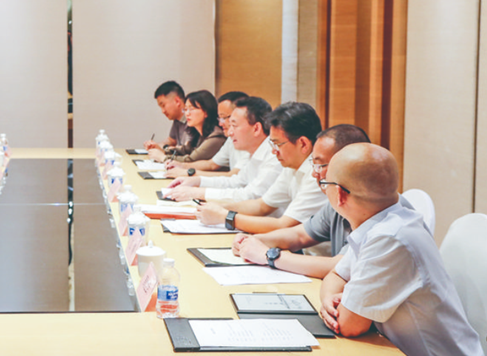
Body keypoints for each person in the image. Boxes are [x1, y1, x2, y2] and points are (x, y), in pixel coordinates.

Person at [319, 143, 487, 356]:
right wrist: (330, 302)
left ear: (340, 195)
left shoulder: (390, 237)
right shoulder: (381, 220)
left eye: (325, 184)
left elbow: (349, 324)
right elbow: (336, 275)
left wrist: (338, 307)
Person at [231, 124, 392, 278]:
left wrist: (269, 255)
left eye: (320, 164)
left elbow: (340, 267)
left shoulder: (375, 208)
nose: (315, 173)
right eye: (313, 164)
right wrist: (254, 240)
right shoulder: (336, 203)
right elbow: (300, 235)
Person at [195, 102, 326, 237]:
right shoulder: (292, 165)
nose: (274, 151)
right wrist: (217, 209)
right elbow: (261, 205)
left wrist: (225, 216)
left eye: (278, 144)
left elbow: (284, 225)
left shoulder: (318, 174)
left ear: (303, 144)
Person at [165, 96, 281, 203]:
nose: (230, 132)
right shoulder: (255, 151)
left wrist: (197, 192)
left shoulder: (274, 156)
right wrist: (197, 181)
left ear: (256, 129)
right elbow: (235, 182)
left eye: (234, 126)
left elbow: (250, 195)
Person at [165, 91, 250, 178]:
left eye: (224, 118)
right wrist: (181, 166)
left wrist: (189, 173)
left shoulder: (219, 137)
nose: (220, 123)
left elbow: (234, 176)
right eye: (186, 109)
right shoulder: (230, 139)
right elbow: (212, 164)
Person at [148, 90, 225, 163]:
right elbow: (185, 150)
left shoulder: (216, 136)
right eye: (185, 109)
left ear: (206, 112)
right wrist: (162, 151)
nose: (187, 114)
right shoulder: (199, 134)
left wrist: (163, 157)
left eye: (191, 109)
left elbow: (191, 160)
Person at [143, 81, 186, 151]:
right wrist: (155, 145)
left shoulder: (193, 119)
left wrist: (165, 148)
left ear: (177, 101)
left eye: (163, 105)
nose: (163, 111)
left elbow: (187, 150)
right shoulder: (177, 120)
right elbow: (172, 140)